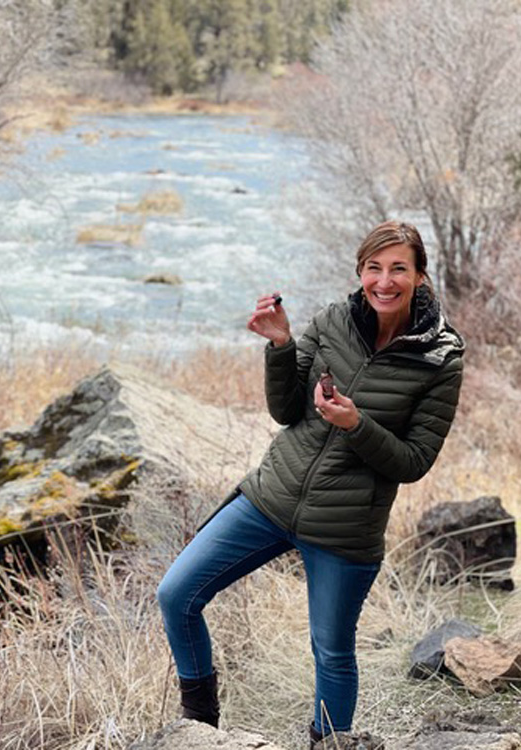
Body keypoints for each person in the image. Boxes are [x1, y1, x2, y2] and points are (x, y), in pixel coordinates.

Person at [156, 220, 465, 746]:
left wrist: (356, 425)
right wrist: (280, 344)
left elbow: (414, 461)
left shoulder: (440, 359)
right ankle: (200, 728)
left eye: (398, 269)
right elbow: (284, 411)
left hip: (345, 528)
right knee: (176, 594)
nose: (384, 281)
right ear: (360, 272)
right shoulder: (333, 321)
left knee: (333, 651)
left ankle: (329, 744)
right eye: (374, 268)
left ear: (419, 276)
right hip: (272, 497)